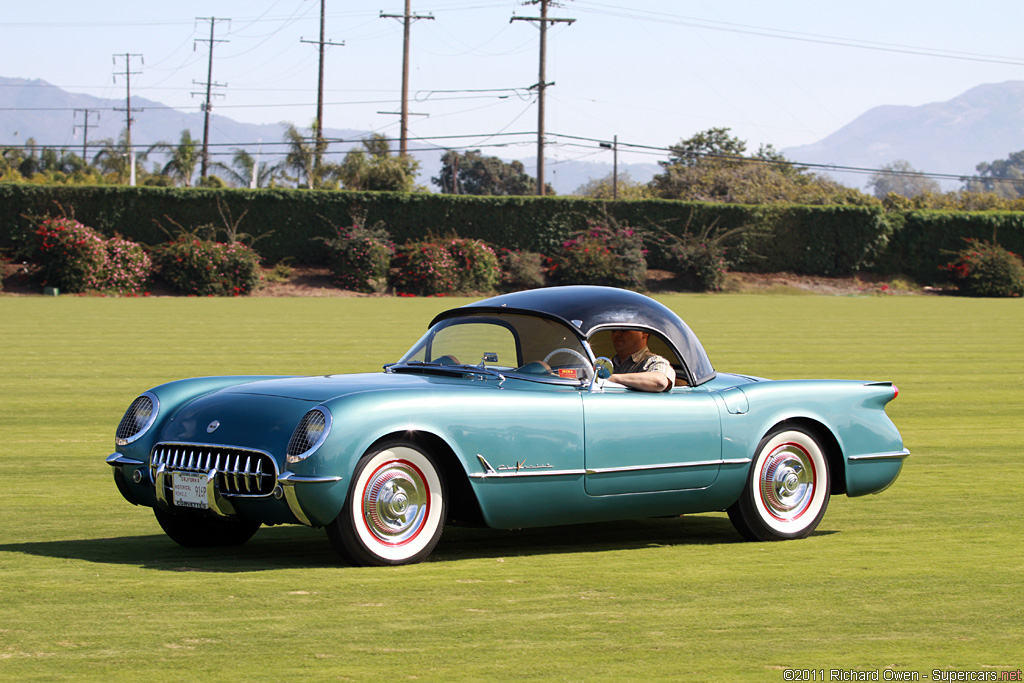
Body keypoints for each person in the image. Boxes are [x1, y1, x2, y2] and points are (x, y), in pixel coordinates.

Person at [607, 329, 676, 392]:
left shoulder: (653, 361)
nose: (617, 334)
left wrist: (613, 378)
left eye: (625, 330)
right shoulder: (607, 363)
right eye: (613, 331)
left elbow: (660, 381)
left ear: (644, 333)